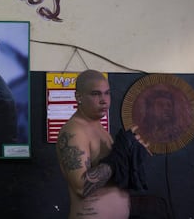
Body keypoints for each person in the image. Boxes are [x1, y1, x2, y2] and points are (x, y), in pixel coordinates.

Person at [56, 69, 151, 219]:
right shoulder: (74, 132)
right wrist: (118, 155)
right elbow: (82, 187)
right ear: (78, 96)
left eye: (107, 93)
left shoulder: (99, 128)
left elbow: (115, 173)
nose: (104, 100)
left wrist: (131, 154)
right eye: (96, 94)